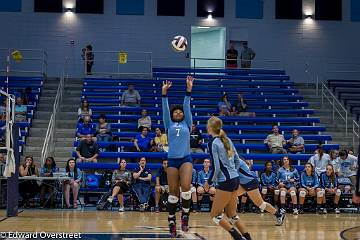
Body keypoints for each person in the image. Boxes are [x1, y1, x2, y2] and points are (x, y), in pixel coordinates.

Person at [162, 76, 194, 237]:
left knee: (186, 188)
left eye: (180, 111)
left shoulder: (187, 123)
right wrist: (164, 94)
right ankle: (171, 220)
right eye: (176, 111)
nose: (179, 112)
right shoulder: (168, 124)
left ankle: (185, 216)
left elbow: (187, 106)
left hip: (186, 159)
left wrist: (188, 89)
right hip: (172, 160)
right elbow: (165, 110)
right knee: (173, 193)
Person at [206, 116, 247, 240]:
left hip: (226, 181)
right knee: (232, 215)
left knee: (215, 215)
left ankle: (238, 238)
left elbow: (216, 167)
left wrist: (208, 182)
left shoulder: (212, 143)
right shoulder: (227, 139)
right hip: (235, 179)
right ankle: (247, 238)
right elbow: (237, 159)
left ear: (210, 128)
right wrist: (233, 171)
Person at [236, 159, 285, 225]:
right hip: (243, 184)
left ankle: (279, 215)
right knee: (230, 196)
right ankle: (232, 217)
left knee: (261, 204)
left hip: (250, 183)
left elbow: (233, 174)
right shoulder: (231, 160)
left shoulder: (236, 160)